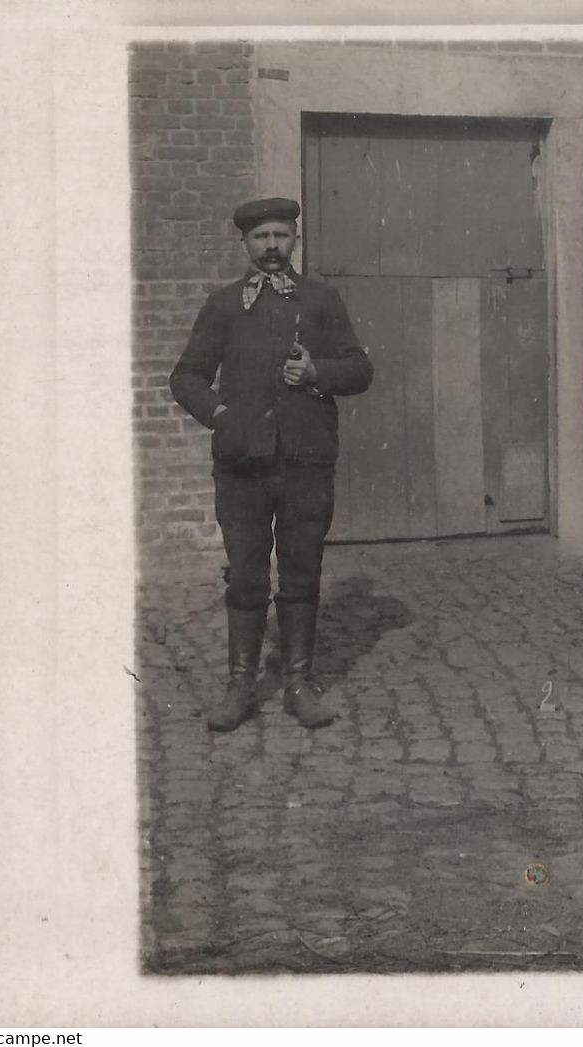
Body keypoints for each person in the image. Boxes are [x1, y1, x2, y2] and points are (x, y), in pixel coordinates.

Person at [170, 197, 374, 731]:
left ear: (295, 241)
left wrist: (316, 371)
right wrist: (219, 416)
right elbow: (185, 377)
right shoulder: (222, 305)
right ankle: (240, 686)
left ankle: (299, 683)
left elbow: (360, 369)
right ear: (244, 244)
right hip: (242, 465)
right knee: (245, 575)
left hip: (307, 461)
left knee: (303, 571)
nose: (272, 248)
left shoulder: (322, 300)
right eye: (261, 238)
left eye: (281, 236)